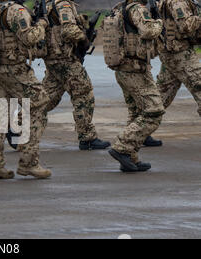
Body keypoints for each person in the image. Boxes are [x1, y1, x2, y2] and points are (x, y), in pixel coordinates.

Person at [0, 0, 52, 180]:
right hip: (15, 69)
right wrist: (42, 24)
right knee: (40, 104)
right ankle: (29, 162)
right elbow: (30, 37)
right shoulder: (16, 11)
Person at [104, 0, 165, 172]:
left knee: (136, 113)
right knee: (154, 111)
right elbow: (148, 31)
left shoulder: (120, 8)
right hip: (135, 71)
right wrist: (159, 22)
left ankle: (130, 157)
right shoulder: (138, 9)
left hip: (125, 69)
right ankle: (121, 147)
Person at [42, 0, 111, 151]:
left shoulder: (48, 4)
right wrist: (84, 39)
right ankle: (87, 138)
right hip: (65, 60)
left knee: (46, 98)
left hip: (55, 59)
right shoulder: (63, 5)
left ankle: (16, 124)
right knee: (84, 94)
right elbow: (68, 30)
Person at [146, 0, 201, 145]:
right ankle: (132, 138)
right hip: (180, 54)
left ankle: (136, 134)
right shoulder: (178, 2)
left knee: (161, 97)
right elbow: (185, 26)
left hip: (171, 54)